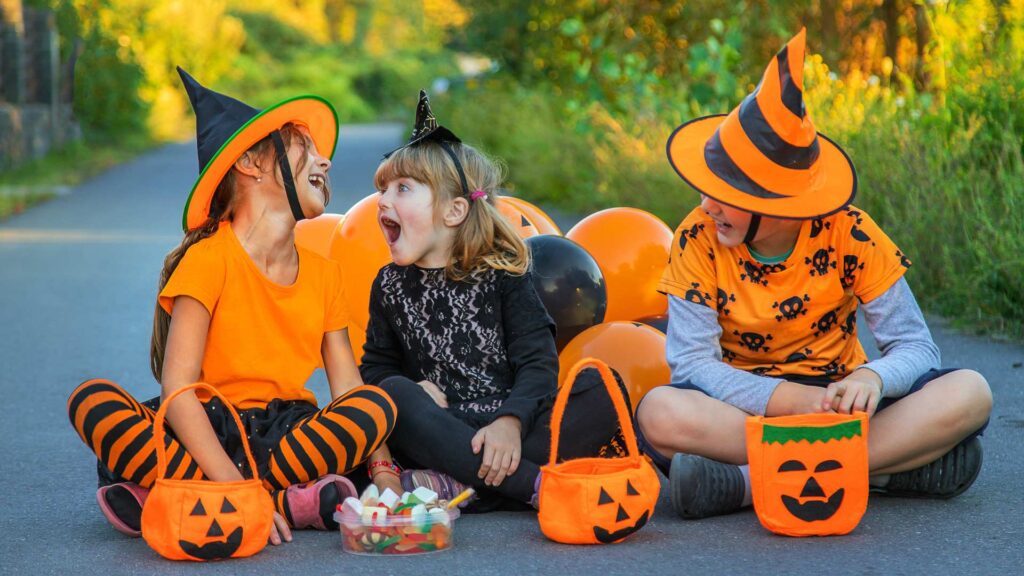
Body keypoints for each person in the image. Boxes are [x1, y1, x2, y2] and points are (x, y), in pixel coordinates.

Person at [634, 30, 992, 519]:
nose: (707, 205)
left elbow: (916, 346)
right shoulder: (696, 237)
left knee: (970, 391)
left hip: (840, 403)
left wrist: (871, 377)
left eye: (727, 196)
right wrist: (793, 401)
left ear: (782, 205)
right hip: (744, 406)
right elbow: (692, 365)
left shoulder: (851, 232)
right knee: (660, 412)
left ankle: (747, 484)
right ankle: (880, 470)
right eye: (707, 188)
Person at [67, 68, 397, 544]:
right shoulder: (208, 259)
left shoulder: (325, 273)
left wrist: (384, 472)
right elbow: (179, 390)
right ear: (250, 163)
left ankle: (177, 495)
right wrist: (239, 487)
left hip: (284, 436)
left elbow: (348, 389)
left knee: (376, 405)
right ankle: (272, 499)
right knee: (93, 401)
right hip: (203, 426)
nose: (324, 161)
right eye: (305, 147)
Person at [359, 91, 622, 512]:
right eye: (382, 189)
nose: (383, 201)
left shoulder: (503, 275)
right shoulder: (389, 285)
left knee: (602, 390)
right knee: (391, 395)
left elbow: (537, 363)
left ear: (454, 211)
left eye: (402, 189)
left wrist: (510, 422)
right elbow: (377, 366)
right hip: (441, 428)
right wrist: (413, 389)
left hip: (511, 428)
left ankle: (455, 483)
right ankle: (533, 486)